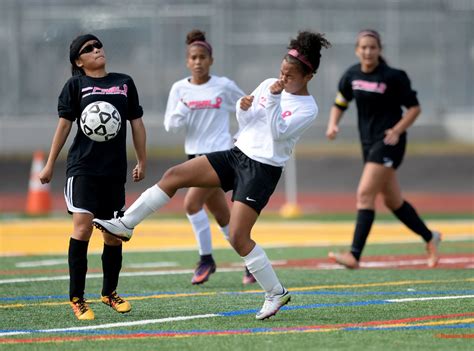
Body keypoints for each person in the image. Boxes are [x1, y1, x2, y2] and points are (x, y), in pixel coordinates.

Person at [94, 30, 331, 320]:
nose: (282, 78)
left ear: (308, 76)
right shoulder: (270, 84)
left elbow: (277, 132)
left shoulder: (308, 108)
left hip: (262, 169)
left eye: (290, 75)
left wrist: (272, 99)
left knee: (238, 236)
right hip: (236, 153)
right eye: (281, 71)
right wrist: (244, 108)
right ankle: (126, 223)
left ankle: (275, 293)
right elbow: (249, 122)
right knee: (174, 175)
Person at [39, 34, 147, 320]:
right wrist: (50, 164)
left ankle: (109, 293)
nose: (97, 50)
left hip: (113, 172)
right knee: (83, 226)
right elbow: (63, 127)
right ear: (79, 60)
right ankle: (77, 298)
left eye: (98, 45)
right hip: (82, 168)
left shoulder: (124, 82)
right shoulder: (75, 85)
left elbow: (136, 123)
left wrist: (142, 159)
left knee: (113, 234)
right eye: (89, 49)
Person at [326, 29, 441, 269]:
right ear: (357, 50)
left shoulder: (393, 76)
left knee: (365, 194)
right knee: (393, 201)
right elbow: (340, 102)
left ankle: (354, 255)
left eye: (373, 47)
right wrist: (333, 124)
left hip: (390, 143)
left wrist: (397, 130)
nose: (368, 51)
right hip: (368, 144)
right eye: (364, 47)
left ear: (379, 50)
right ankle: (430, 237)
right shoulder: (352, 75)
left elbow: (414, 108)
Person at [164, 29, 255, 285]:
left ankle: (206, 259)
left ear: (211, 60)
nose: (198, 62)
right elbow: (170, 124)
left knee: (191, 204)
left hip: (220, 156)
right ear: (187, 61)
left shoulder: (223, 86)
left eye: (202, 57)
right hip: (195, 156)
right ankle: (252, 263)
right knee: (223, 216)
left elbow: (248, 107)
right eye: (193, 57)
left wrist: (240, 137)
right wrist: (183, 108)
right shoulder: (179, 89)